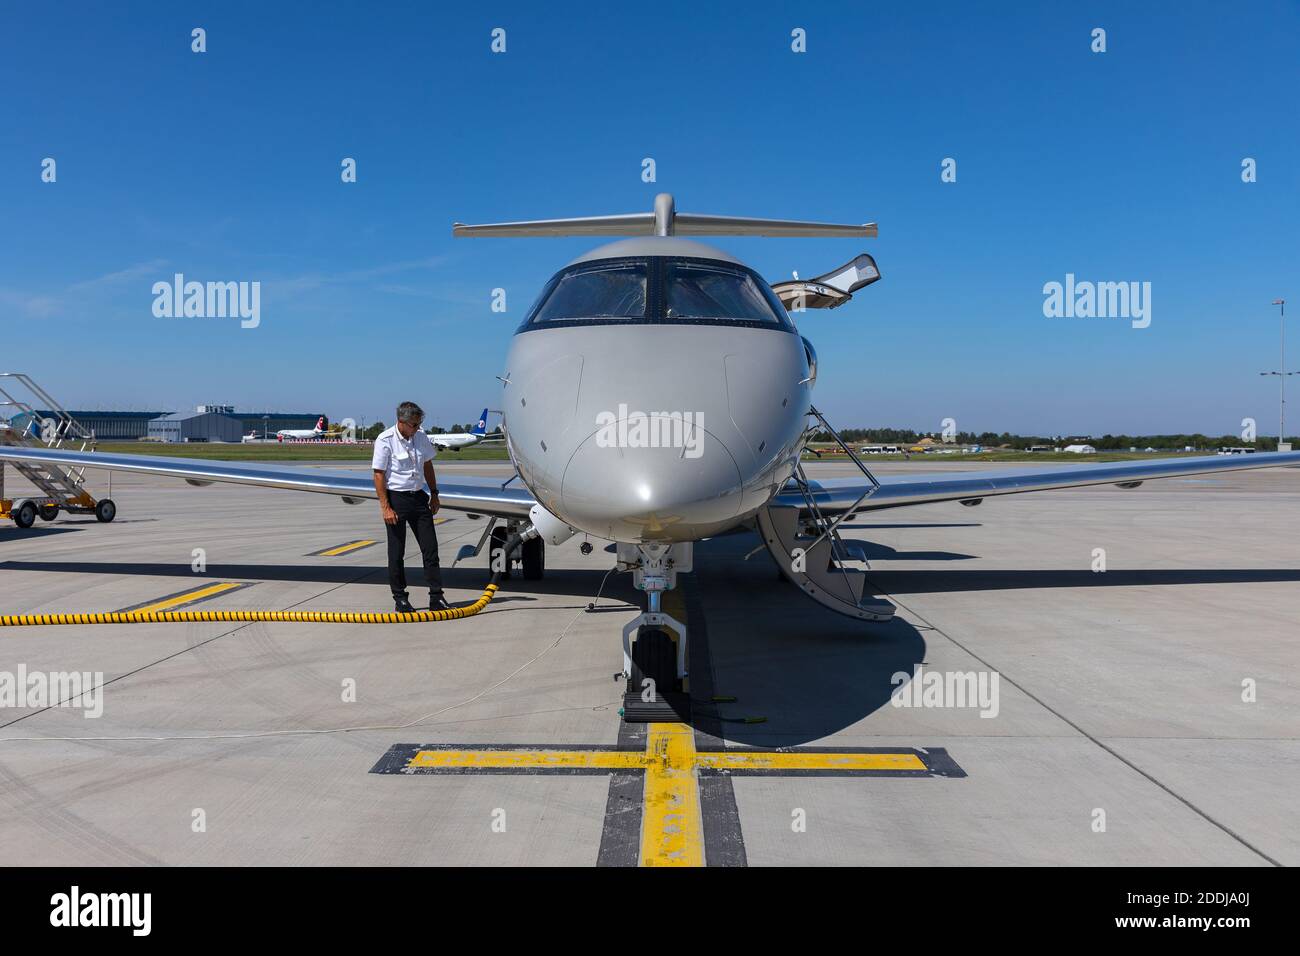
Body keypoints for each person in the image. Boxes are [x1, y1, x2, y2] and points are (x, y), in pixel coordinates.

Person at [372, 402, 448, 613]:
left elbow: (427, 465)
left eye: (418, 424)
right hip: (396, 499)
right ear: (402, 422)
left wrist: (434, 493)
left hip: (419, 498)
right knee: (397, 552)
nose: (417, 428)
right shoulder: (385, 440)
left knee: (430, 549)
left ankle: (436, 596)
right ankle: (400, 598)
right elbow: (378, 474)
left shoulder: (420, 437)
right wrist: (385, 507)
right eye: (414, 424)